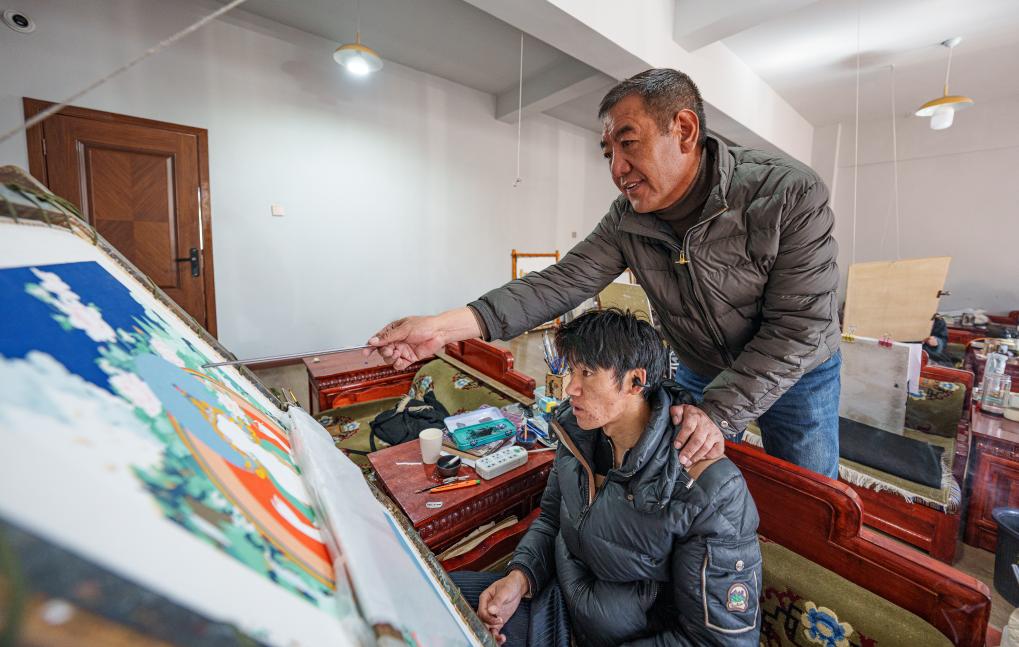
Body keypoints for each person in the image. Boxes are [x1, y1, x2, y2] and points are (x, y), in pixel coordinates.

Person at [367, 68, 841, 478]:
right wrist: (440, 328)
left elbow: (799, 327)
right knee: (683, 471)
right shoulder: (627, 219)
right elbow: (559, 283)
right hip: (703, 364)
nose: (617, 169)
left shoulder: (787, 192)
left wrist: (717, 412)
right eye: (608, 152)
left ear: (684, 129)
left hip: (800, 370)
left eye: (628, 143)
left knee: (811, 492)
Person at [452, 309, 761, 646]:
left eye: (587, 373)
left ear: (635, 382)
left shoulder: (711, 489)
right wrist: (520, 577)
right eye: (572, 371)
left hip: (623, 638)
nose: (570, 388)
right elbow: (551, 520)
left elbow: (718, 641)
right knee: (437, 595)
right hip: (557, 608)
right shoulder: (578, 435)